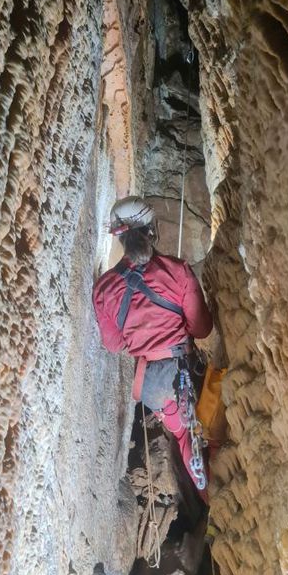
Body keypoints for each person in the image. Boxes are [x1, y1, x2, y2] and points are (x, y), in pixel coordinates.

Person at [92, 195, 213, 501]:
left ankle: (209, 505)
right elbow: (202, 328)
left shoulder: (104, 288)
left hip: (149, 383)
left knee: (185, 436)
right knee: (200, 431)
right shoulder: (177, 271)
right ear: (152, 229)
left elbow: (114, 343)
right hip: (178, 369)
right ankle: (216, 497)